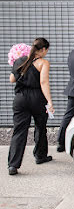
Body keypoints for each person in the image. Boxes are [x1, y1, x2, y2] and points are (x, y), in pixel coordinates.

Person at [8, 38, 54, 175]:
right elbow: (44, 82)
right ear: (43, 49)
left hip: (20, 98)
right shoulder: (43, 63)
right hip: (37, 99)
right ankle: (40, 156)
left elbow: (12, 80)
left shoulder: (20, 61)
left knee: (19, 131)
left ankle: (13, 165)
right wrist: (50, 102)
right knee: (40, 127)